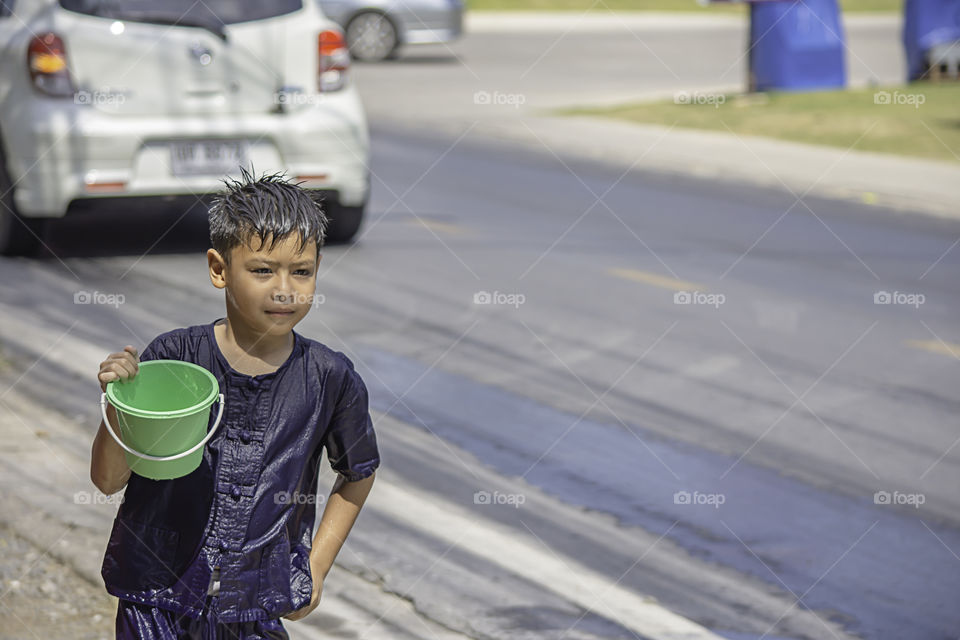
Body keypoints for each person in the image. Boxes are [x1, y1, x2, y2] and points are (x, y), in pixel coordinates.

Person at [90, 170, 380, 639]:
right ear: (219, 269)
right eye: (263, 270)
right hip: (154, 600)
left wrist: (316, 565)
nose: (284, 289)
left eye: (302, 271)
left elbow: (358, 471)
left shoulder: (329, 377)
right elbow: (107, 480)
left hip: (255, 608)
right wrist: (118, 406)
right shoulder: (173, 358)